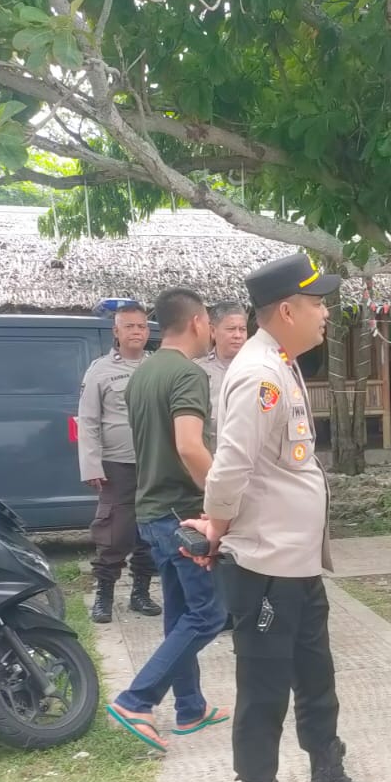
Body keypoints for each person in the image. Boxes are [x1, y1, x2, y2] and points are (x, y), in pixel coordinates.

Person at [183, 253, 387, 782]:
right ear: (287, 311)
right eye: (318, 304)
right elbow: (230, 469)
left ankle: (326, 777)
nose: (326, 314)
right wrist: (217, 528)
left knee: (316, 678)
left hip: (296, 566)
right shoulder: (260, 376)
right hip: (264, 567)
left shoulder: (281, 363)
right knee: (265, 688)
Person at [105, 288, 229, 752]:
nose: (212, 330)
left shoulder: (143, 373)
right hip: (182, 512)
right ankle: (136, 700)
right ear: (198, 322)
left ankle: (190, 707)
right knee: (209, 615)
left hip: (151, 510)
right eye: (211, 323)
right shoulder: (188, 374)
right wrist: (223, 502)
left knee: (180, 614)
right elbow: (189, 446)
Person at [76, 304, 162, 624]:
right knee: (114, 532)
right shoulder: (99, 370)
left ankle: (141, 592)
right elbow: (87, 421)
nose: (137, 331)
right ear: (116, 331)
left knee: (150, 530)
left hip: (155, 462)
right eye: (129, 326)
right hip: (116, 464)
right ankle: (104, 596)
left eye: (141, 326)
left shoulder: (158, 366)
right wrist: (91, 465)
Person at [196, 301, 250, 434]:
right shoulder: (197, 369)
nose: (238, 335)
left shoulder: (257, 368)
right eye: (231, 329)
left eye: (242, 329)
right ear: (213, 331)